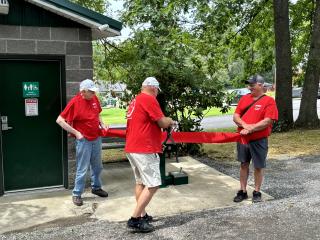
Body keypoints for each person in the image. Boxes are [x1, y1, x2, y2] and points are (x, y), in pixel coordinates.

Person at [125, 77, 175, 232]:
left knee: (140, 183)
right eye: (157, 91)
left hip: (132, 147)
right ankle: (134, 219)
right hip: (144, 148)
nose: (157, 94)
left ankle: (142, 215)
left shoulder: (135, 100)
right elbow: (161, 122)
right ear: (154, 88)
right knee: (153, 184)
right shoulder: (149, 99)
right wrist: (171, 121)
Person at [56, 79, 108, 206]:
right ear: (83, 91)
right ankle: (77, 194)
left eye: (94, 91)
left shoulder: (94, 99)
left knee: (97, 166)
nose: (94, 94)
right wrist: (76, 133)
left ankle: (96, 188)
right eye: (91, 92)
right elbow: (59, 120)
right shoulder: (75, 102)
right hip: (84, 140)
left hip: (96, 137)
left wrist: (102, 123)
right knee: (82, 168)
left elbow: (98, 114)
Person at [233, 74, 278, 203]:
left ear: (260, 85)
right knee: (243, 164)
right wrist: (244, 125)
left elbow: (268, 121)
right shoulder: (244, 99)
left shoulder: (269, 101)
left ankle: (257, 192)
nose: (249, 87)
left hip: (259, 140)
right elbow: (236, 116)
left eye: (252, 85)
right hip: (243, 139)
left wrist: (251, 128)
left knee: (258, 166)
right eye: (249, 85)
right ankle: (242, 191)